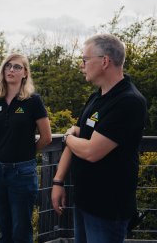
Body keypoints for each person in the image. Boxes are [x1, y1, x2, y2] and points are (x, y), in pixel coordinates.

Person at [51, 34, 147, 243]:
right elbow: (79, 133)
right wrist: (58, 181)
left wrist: (67, 137)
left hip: (108, 209)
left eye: (85, 59)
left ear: (105, 61)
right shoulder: (97, 96)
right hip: (85, 201)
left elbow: (91, 151)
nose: (81, 65)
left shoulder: (128, 101)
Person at [0, 53, 52, 243]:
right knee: (4, 229)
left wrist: (27, 153)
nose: (11, 70)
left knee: (21, 230)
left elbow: (47, 137)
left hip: (22, 173)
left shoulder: (33, 101)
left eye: (17, 67)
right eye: (8, 66)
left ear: (25, 73)